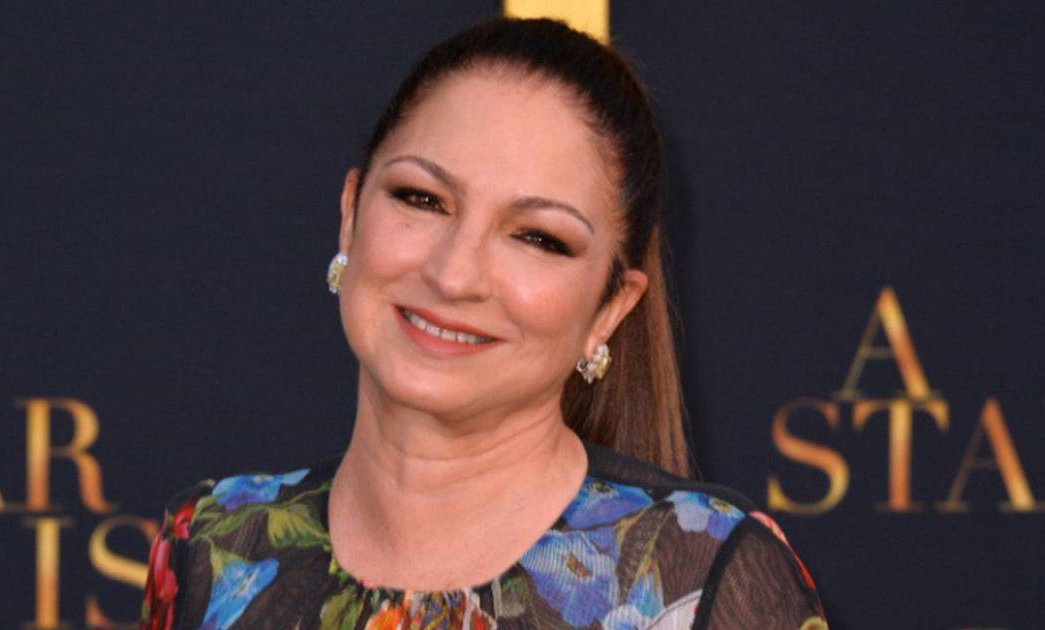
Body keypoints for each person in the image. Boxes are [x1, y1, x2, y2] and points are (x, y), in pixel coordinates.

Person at [140, 17, 828, 630]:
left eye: (537, 237)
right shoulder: (213, 545)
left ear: (611, 308)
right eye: (422, 198)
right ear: (350, 214)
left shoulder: (705, 573)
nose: (454, 274)